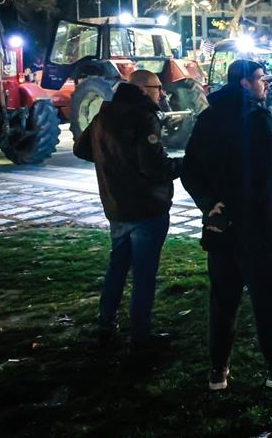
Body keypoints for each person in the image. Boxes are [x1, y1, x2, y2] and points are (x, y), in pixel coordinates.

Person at [181, 59, 272, 391]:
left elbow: (190, 170)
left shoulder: (208, 118)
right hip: (256, 229)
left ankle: (218, 371)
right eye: (261, 79)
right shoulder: (258, 119)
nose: (265, 84)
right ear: (245, 84)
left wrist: (210, 205)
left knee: (223, 301)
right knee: (267, 300)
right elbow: (262, 175)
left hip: (220, 227)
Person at [73, 70, 181, 352]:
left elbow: (81, 149)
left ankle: (105, 325)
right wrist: (182, 165)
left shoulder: (104, 113)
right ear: (143, 89)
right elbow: (154, 167)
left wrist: (112, 159)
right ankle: (140, 336)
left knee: (117, 268)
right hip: (147, 208)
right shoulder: (143, 117)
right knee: (144, 276)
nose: (162, 93)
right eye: (158, 87)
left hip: (117, 207)